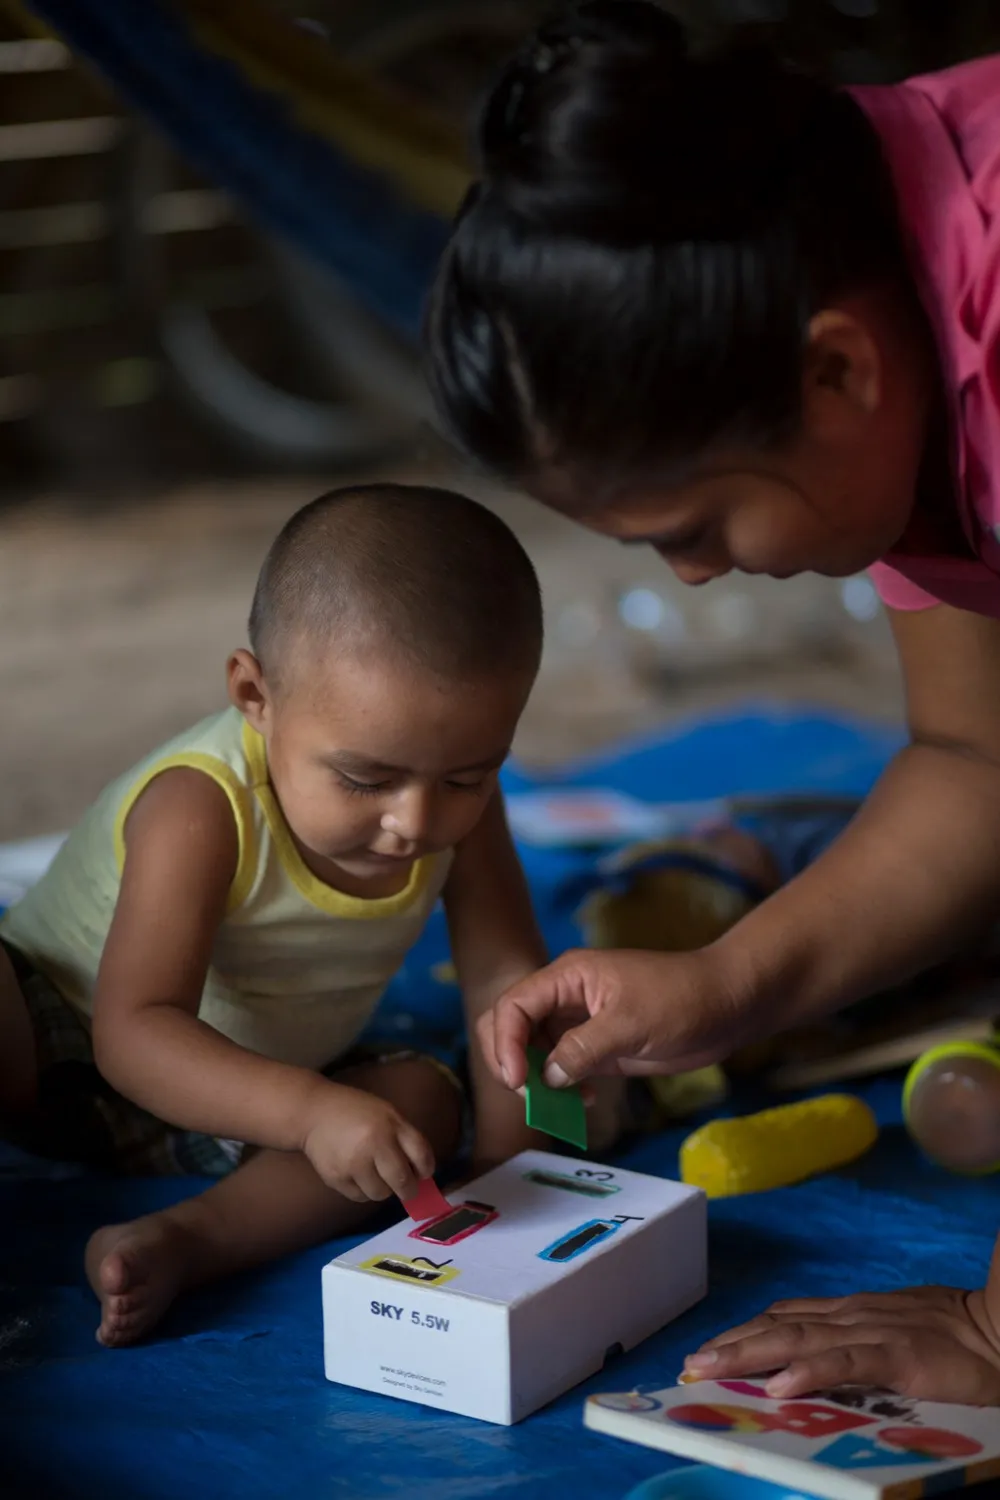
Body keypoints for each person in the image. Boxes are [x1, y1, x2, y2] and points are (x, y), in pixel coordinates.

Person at [423, 0, 1000, 1403]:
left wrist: (993, 1334)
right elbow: (979, 755)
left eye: (699, 521)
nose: (691, 578)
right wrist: (720, 988)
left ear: (839, 371)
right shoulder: (849, 238)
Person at [0, 483, 562, 1348]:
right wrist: (310, 1115)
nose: (415, 823)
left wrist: (512, 1173)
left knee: (418, 1108)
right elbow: (133, 1030)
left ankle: (190, 1239)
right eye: (365, 779)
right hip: (61, 1038)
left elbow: (505, 981)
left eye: (465, 777)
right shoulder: (199, 806)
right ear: (254, 694)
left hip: (246, 1093)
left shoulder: (464, 816)